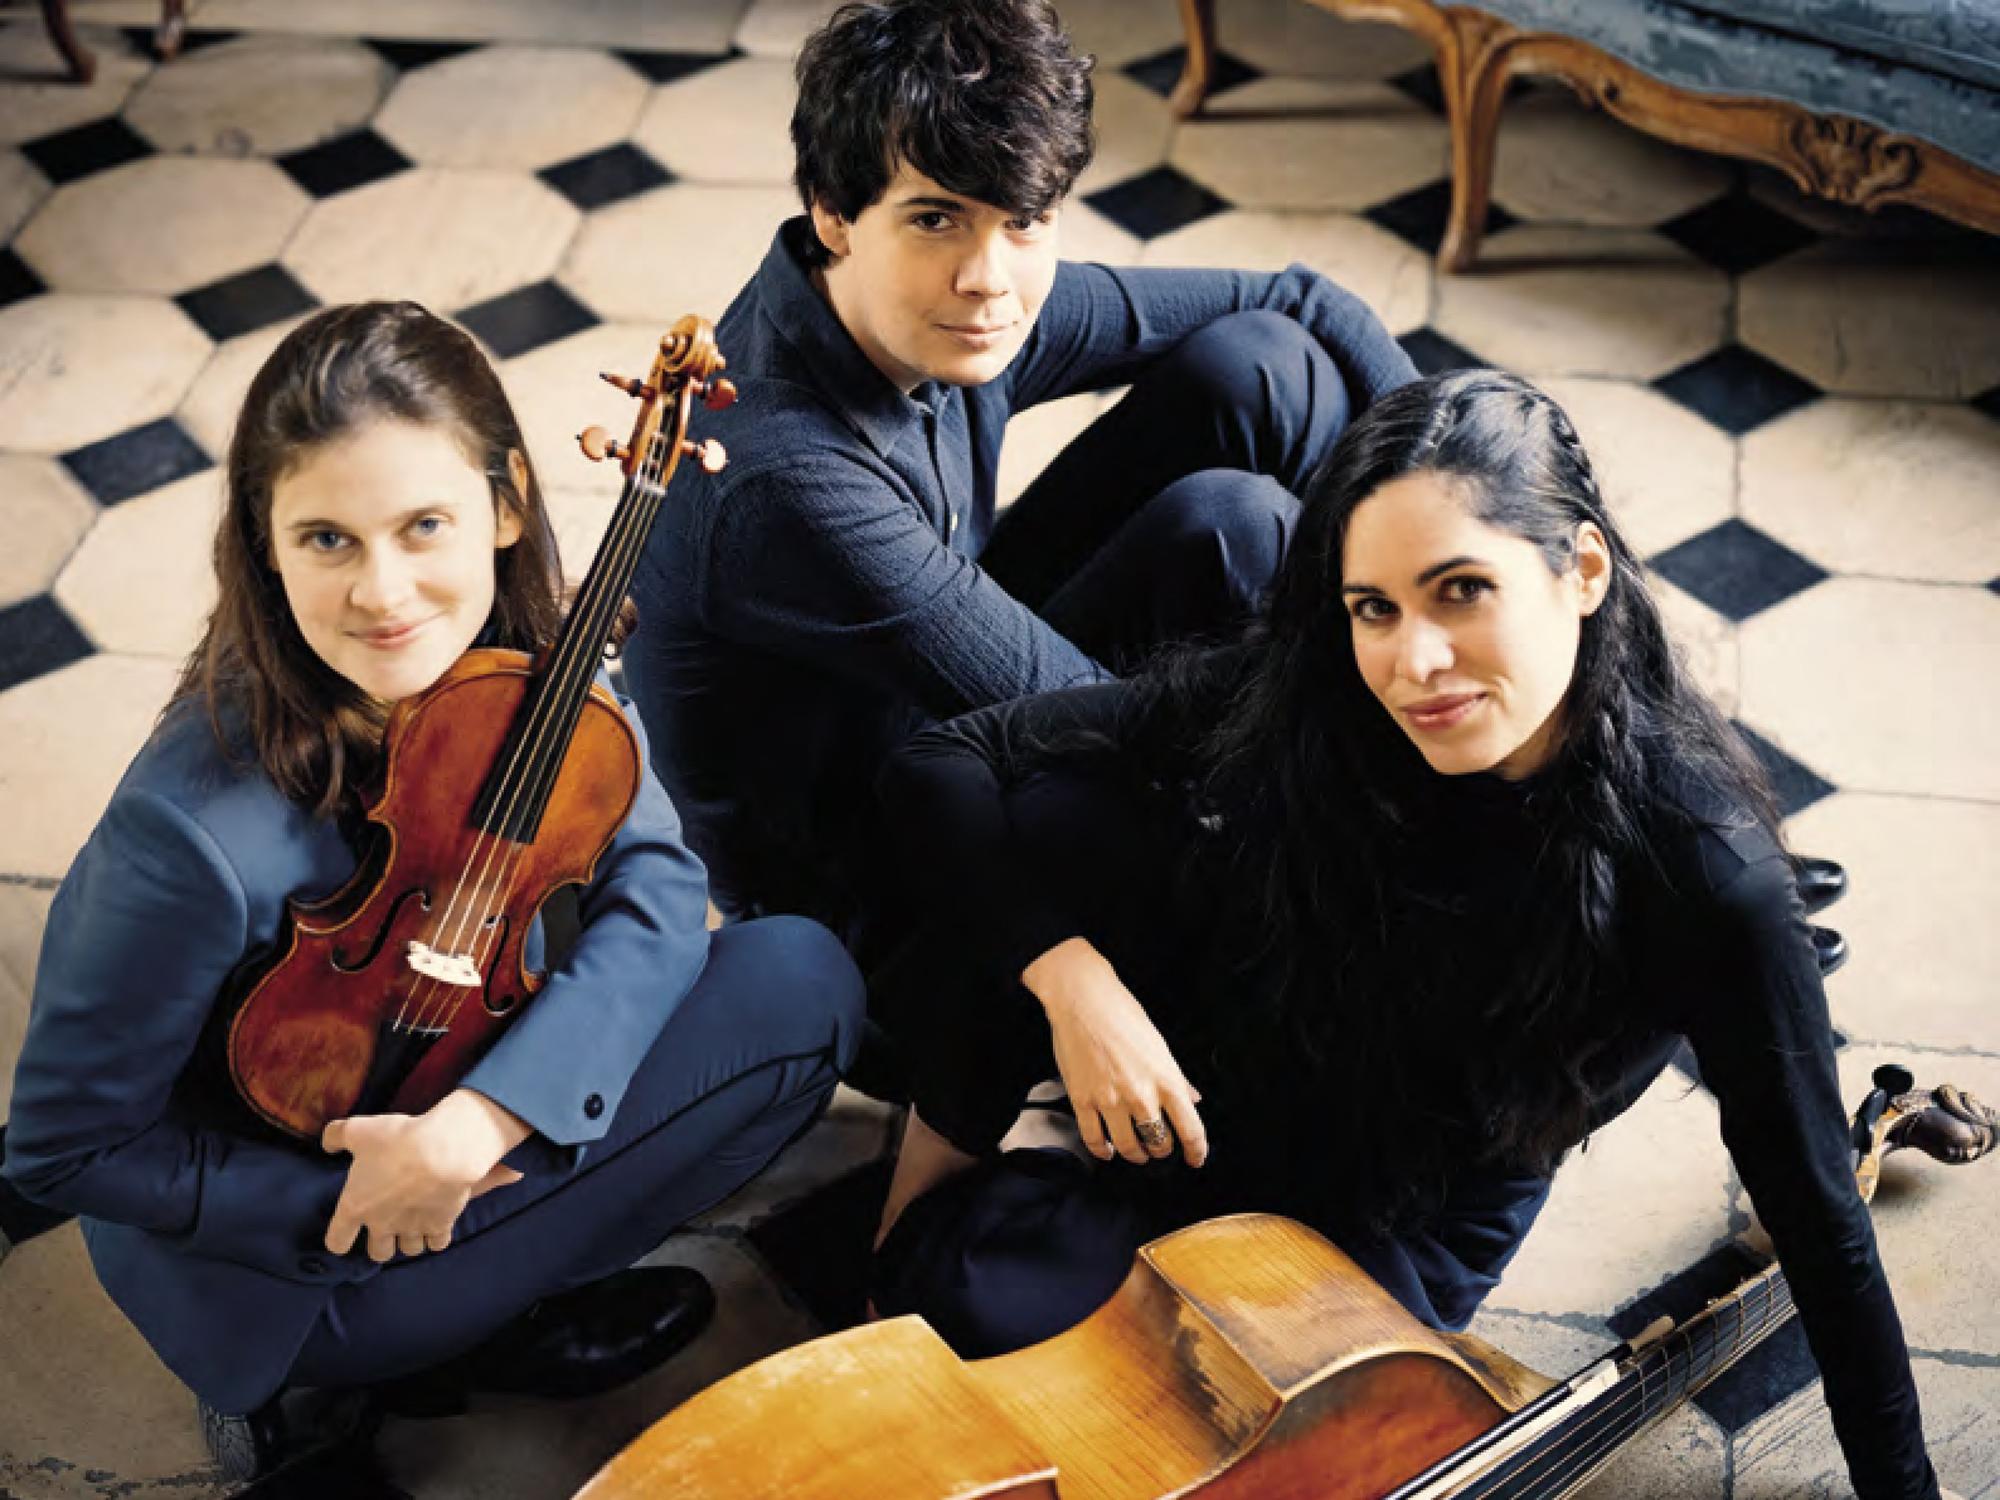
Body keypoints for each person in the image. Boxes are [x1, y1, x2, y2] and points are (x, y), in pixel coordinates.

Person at [869, 371, 1971, 1499]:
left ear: (1580, 572)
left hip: (1388, 1226)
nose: (1414, 663)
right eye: (1373, 608)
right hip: (1222, 1123)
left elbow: (1817, 1225)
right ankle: (902, 1254)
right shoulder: (1326, 704)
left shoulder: (1701, 868)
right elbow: (943, 761)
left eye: (1460, 592)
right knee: (1055, 834)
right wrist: (1072, 983)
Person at [4, 304, 864, 1457]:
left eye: (422, 526)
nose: (384, 592)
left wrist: (484, 1121)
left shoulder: (536, 671)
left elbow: (656, 883)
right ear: (262, 543)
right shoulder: (185, 834)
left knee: (803, 976)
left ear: (505, 506)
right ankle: (455, 1337)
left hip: (451, 1092)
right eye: (327, 539)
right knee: (782, 1009)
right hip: (302, 1271)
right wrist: (372, 1201)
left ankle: (510, 1252)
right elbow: (62, 1149)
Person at [620, 0, 1420, 951]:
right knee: (1238, 531)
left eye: (1026, 219)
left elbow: (1298, 299)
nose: (989, 278)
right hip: (871, 897)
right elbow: (1103, 707)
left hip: (923, 698)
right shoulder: (784, 480)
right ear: (832, 214)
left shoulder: (933, 301)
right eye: (935, 220)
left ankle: (1381, 734)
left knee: (1260, 368)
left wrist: (1473, 510)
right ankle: (1368, 843)